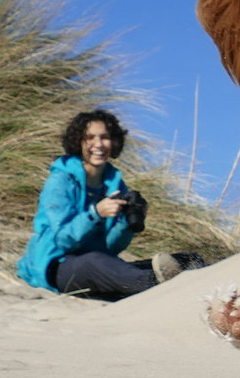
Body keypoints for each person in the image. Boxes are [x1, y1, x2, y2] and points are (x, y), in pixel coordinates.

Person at [17, 109, 182, 300]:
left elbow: (110, 247)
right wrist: (95, 213)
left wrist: (126, 223)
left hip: (96, 263)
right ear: (78, 142)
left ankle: (181, 277)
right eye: (90, 138)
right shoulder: (60, 181)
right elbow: (63, 240)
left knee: (184, 259)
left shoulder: (114, 184)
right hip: (54, 264)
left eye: (105, 137)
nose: (98, 144)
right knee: (94, 263)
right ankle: (157, 286)